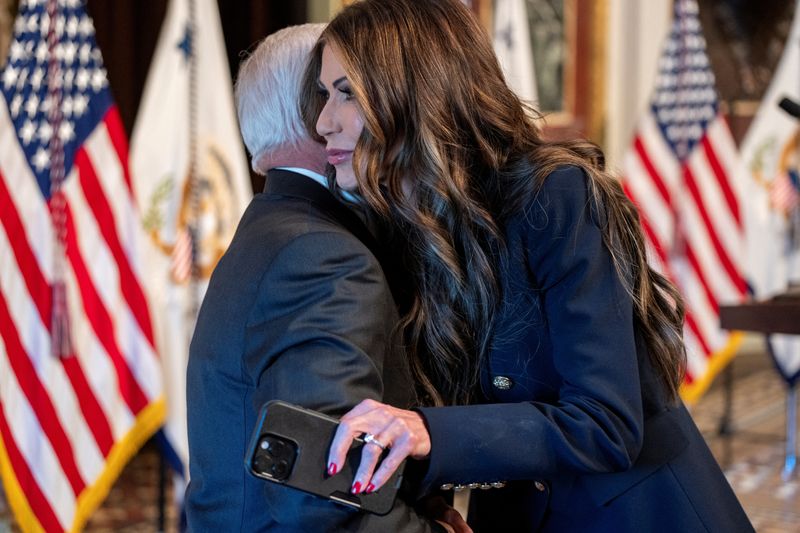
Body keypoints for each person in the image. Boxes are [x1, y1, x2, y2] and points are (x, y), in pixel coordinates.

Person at [298, 1, 755, 531]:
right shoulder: (403, 221)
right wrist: (425, 499)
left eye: (347, 93)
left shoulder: (556, 196)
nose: (322, 121)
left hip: (638, 513)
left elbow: (606, 425)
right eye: (324, 94)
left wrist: (428, 432)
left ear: (417, 90)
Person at [184, 23, 462, 532]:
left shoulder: (274, 229)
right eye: (346, 92)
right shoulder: (323, 256)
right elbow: (322, 497)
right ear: (317, 114)